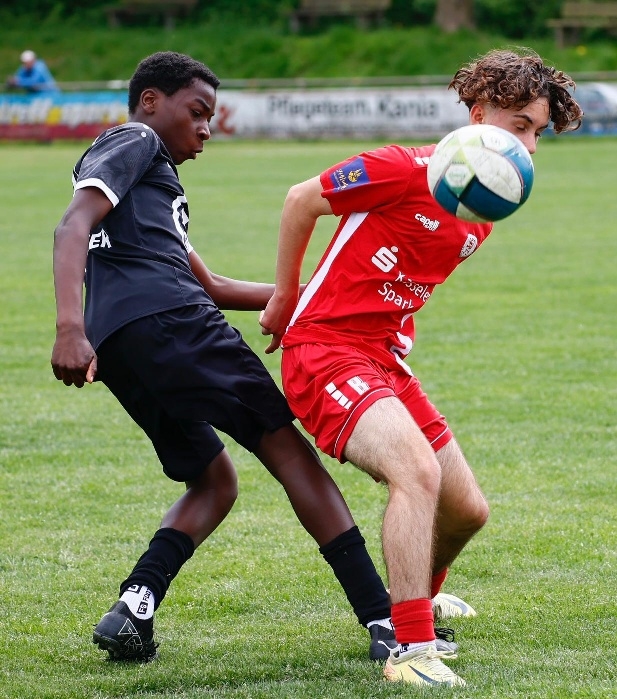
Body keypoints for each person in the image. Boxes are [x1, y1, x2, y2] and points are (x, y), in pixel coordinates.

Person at [259, 47, 583, 687]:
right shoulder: (401, 168)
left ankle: (418, 596)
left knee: (466, 511)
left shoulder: (484, 209)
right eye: (519, 125)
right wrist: (285, 296)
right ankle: (408, 645)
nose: (529, 146)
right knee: (416, 472)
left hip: (384, 360)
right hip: (323, 351)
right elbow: (301, 200)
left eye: (538, 133)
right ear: (478, 114)